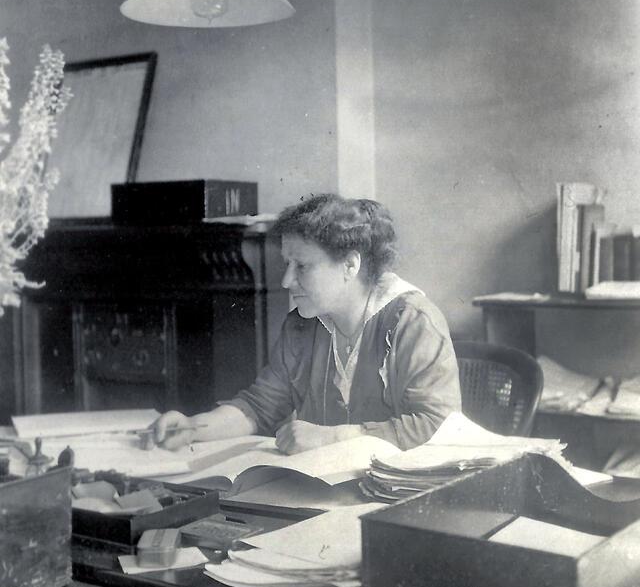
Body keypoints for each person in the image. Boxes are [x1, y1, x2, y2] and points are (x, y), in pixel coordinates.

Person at [154, 193, 461, 454]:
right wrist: (194, 428)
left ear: (350, 265)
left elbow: (440, 427)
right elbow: (260, 406)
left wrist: (334, 437)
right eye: (287, 264)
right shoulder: (302, 325)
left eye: (302, 266)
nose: (287, 280)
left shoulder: (413, 322)